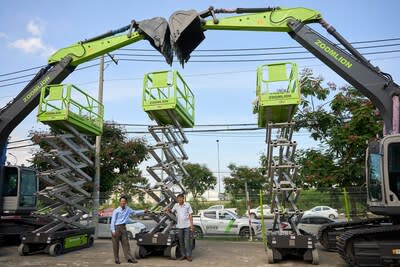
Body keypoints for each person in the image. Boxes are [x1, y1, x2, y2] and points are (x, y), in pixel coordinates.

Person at [110, 195, 147, 264]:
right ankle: (116, 259)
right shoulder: (116, 211)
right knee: (115, 245)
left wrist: (143, 211)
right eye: (122, 201)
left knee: (126, 244)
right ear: (119, 202)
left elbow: (135, 212)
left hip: (123, 228)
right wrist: (113, 230)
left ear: (126, 202)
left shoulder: (128, 209)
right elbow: (113, 221)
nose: (123, 203)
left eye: (124, 201)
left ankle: (130, 258)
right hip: (116, 228)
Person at [170, 193, 194, 262]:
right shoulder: (176, 205)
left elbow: (190, 215)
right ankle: (183, 255)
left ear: (183, 199)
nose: (179, 200)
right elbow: (172, 211)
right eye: (178, 199)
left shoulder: (187, 205)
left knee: (187, 242)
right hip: (179, 226)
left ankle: (188, 256)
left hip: (187, 226)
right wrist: (168, 210)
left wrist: (192, 225)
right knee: (181, 242)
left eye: (180, 199)